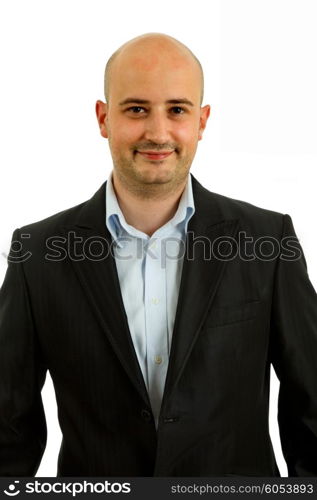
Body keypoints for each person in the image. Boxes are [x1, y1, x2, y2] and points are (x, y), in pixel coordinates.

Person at [0, 32, 317, 478]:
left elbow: (313, 404)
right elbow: (7, 429)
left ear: (202, 121)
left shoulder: (268, 240)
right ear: (103, 117)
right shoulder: (36, 255)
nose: (158, 132)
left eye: (177, 109)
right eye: (136, 109)